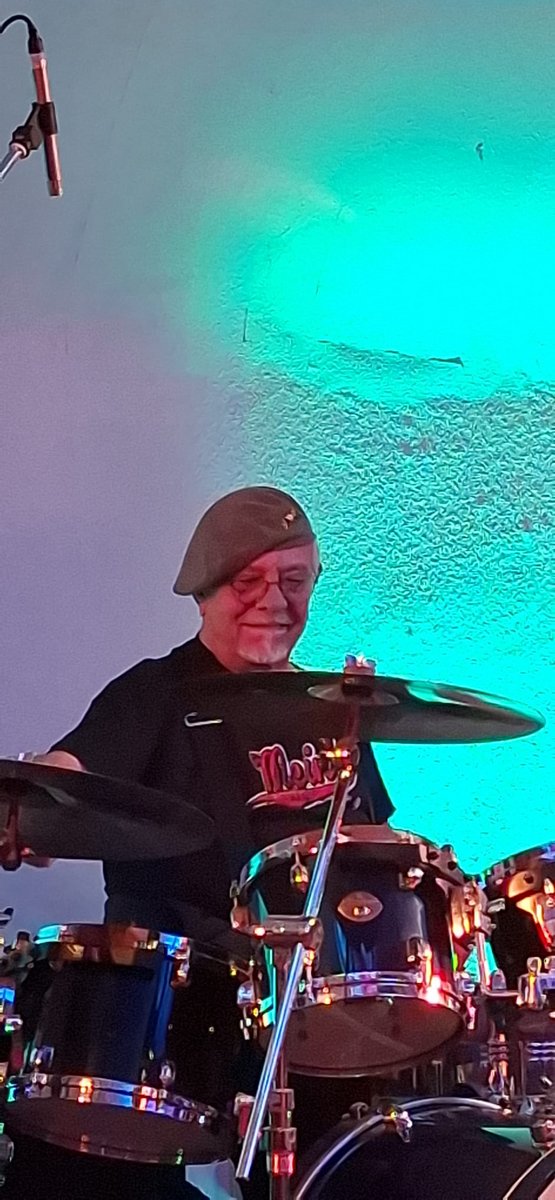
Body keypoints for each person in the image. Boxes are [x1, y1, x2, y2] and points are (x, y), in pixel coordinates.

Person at [7, 486, 394, 1200]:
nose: (273, 600)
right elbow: (68, 778)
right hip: (187, 996)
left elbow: (374, 841)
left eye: (293, 580)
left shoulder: (335, 707)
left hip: (313, 995)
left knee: (376, 1151)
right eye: (248, 581)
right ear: (205, 590)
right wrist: (26, 808)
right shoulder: (154, 693)